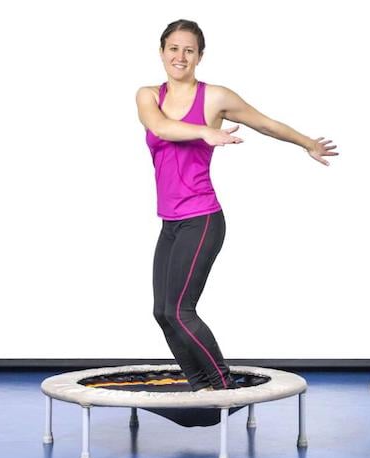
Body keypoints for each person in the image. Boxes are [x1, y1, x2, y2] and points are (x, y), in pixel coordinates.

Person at [136, 19, 338, 392]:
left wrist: (307, 142)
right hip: (171, 223)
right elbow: (161, 127)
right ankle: (201, 387)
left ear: (200, 56)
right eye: (174, 49)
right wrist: (204, 131)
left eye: (189, 50)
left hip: (202, 219)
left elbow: (265, 123)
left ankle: (222, 384)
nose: (180, 56)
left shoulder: (214, 97)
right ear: (162, 52)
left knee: (181, 310)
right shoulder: (149, 95)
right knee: (162, 312)